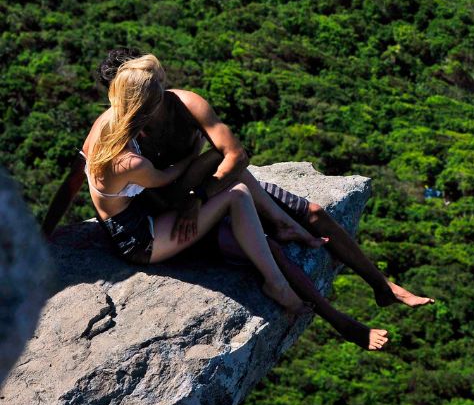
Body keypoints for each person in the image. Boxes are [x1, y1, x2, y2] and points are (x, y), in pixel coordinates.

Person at [45, 47, 433, 309]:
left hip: (205, 186)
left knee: (312, 211)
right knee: (261, 244)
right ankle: (336, 316)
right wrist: (46, 230)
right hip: (170, 208)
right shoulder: (114, 131)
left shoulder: (185, 105)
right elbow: (80, 178)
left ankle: (382, 286)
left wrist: (200, 196)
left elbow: (234, 156)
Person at [81, 55, 306, 314]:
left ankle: (282, 225)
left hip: (128, 218)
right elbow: (165, 178)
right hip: (141, 239)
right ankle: (277, 285)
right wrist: (194, 153)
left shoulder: (105, 126)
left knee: (222, 163)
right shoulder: (130, 163)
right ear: (147, 106)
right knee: (237, 194)